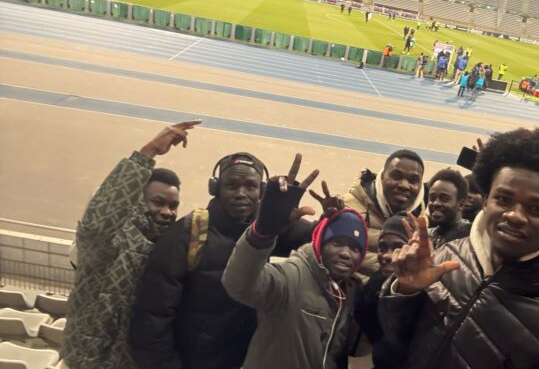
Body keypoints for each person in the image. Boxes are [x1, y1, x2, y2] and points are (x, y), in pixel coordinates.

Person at [380, 127, 539, 369]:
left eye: (536, 209)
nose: (515, 216)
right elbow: (398, 340)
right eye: (503, 199)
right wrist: (406, 290)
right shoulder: (447, 256)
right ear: (486, 202)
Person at [129, 152, 315, 369]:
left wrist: (335, 217)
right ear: (216, 188)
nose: (241, 193)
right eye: (232, 185)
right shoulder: (187, 234)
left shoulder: (270, 226)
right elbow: (151, 320)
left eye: (250, 186)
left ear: (261, 192)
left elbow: (323, 242)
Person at [62, 120, 199, 369]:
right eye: (158, 202)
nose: (167, 212)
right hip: (89, 362)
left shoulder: (170, 251)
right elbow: (98, 223)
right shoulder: (109, 244)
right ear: (135, 201)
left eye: (173, 206)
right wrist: (147, 154)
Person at [221, 156, 366, 369]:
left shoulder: (350, 293)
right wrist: (262, 233)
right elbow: (238, 285)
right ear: (320, 245)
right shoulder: (292, 276)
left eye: (355, 248)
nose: (346, 253)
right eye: (337, 243)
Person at [342, 150, 426, 280]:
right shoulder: (348, 209)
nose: (404, 185)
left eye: (413, 180)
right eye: (397, 176)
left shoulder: (424, 223)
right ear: (381, 177)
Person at [354, 215, 410, 369]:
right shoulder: (375, 282)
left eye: (398, 247)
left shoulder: (424, 291)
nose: (387, 255)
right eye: (382, 247)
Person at [426, 169, 471, 249]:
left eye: (444, 199)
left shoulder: (469, 239)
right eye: (432, 198)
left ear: (460, 204)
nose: (436, 203)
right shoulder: (426, 235)